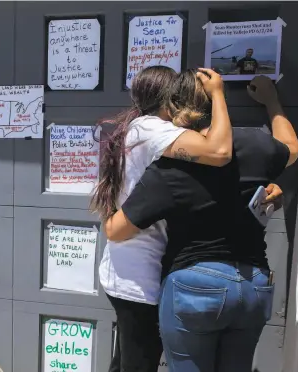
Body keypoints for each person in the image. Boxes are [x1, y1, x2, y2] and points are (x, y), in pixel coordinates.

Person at [104, 73, 298, 372]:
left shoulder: (170, 167)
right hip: (253, 285)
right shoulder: (257, 144)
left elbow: (117, 230)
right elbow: (291, 148)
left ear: (176, 110)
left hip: (195, 285)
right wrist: (272, 101)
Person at [91, 66, 233, 372]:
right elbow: (220, 151)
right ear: (170, 100)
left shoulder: (140, 128)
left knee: (127, 362)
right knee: (138, 364)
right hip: (138, 276)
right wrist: (218, 95)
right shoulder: (151, 129)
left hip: (129, 268)